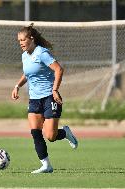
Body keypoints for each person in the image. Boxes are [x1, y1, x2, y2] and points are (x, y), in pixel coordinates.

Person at [11, 23, 78, 173]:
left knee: (51, 136)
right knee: (35, 132)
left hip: (50, 97)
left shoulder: (42, 53)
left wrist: (55, 89)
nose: (21, 43)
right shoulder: (24, 56)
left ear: (32, 38)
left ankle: (65, 133)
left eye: (23, 40)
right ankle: (46, 165)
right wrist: (17, 86)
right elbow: (28, 74)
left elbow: (59, 69)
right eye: (19, 41)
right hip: (34, 99)